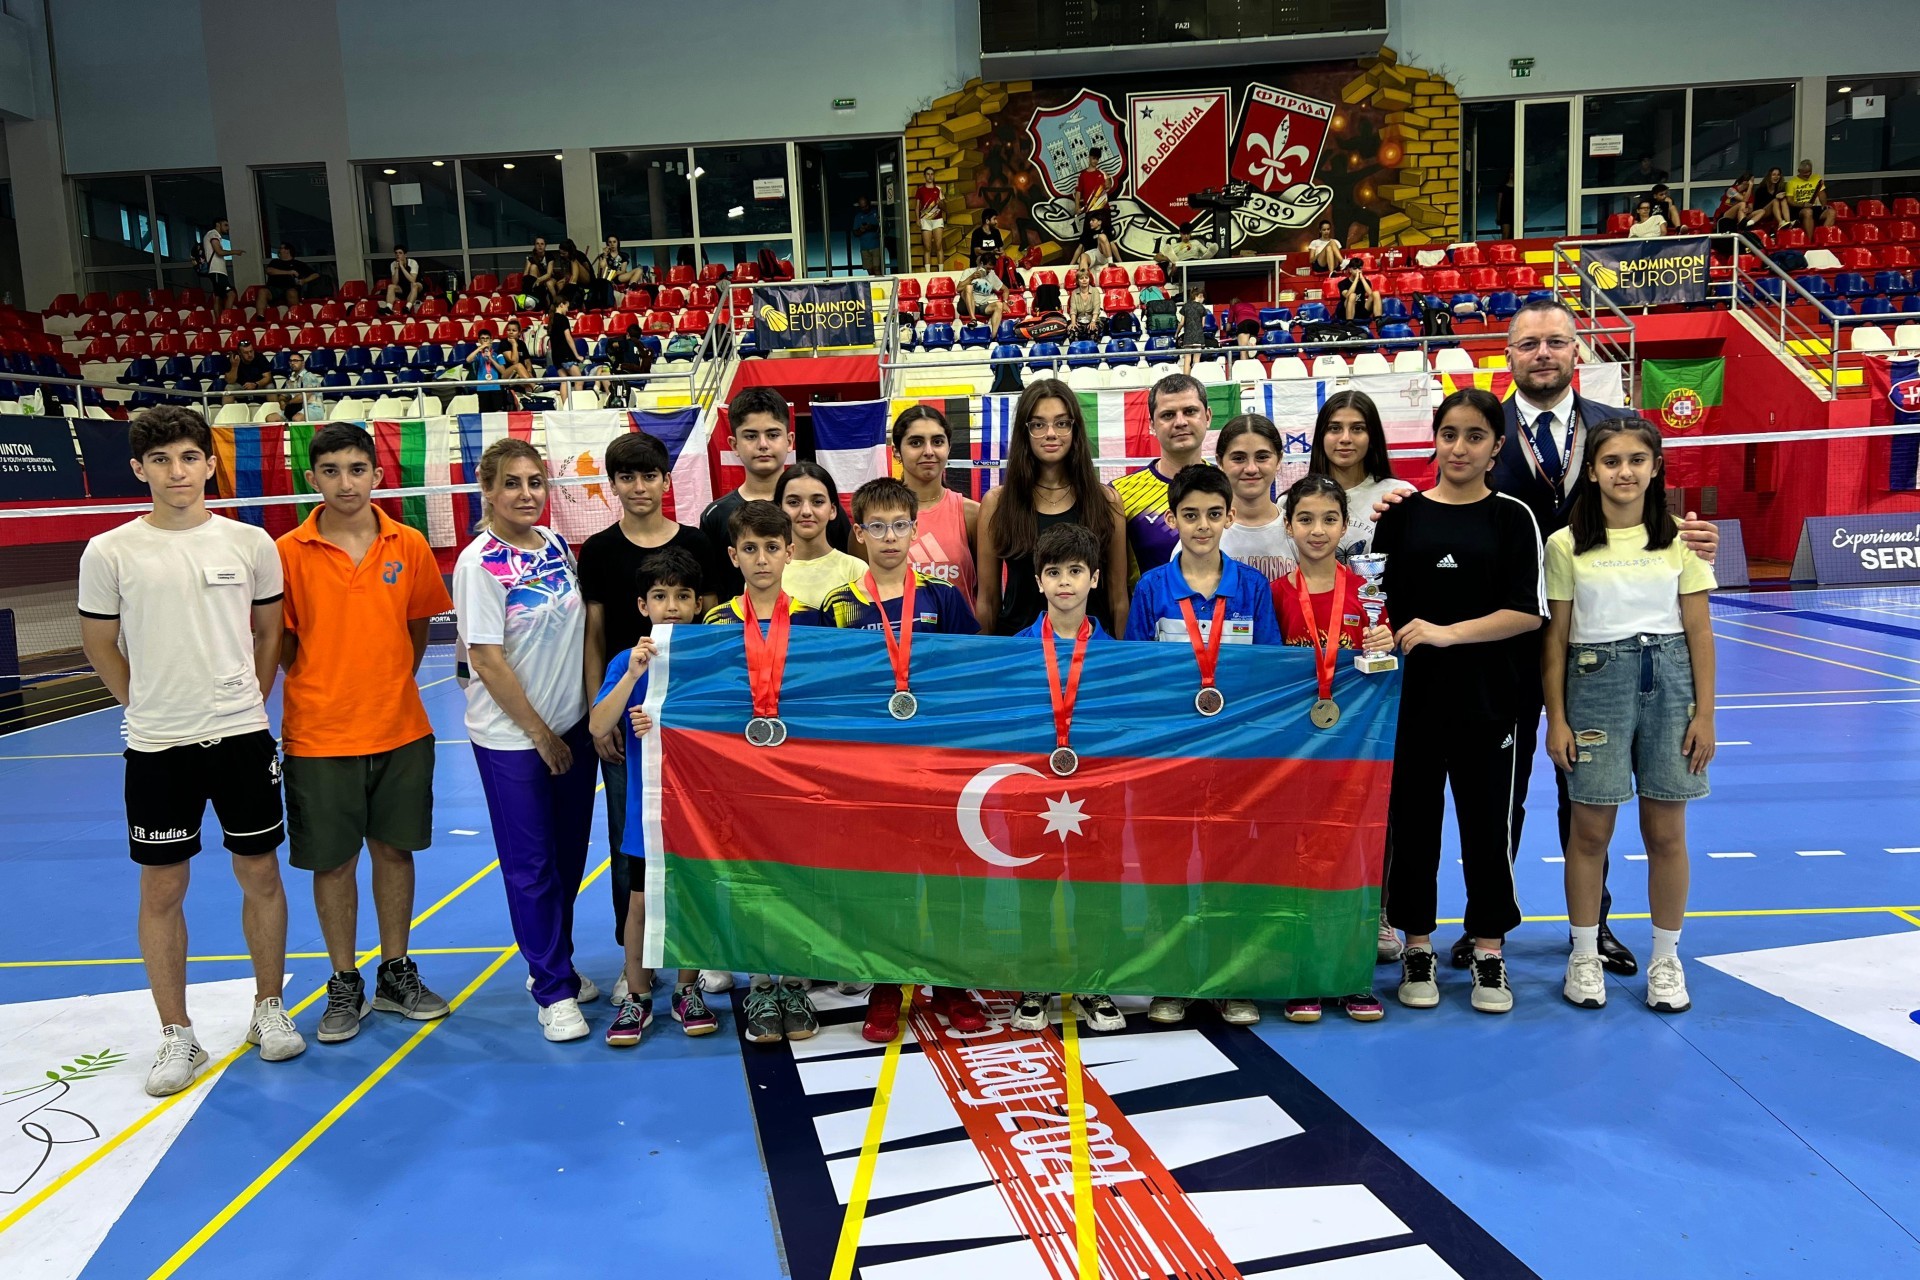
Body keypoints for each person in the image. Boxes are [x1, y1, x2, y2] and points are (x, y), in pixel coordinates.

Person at [1371, 298, 1719, 975]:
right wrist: (1394, 501)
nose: (1543, 353)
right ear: (1509, 354)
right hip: (1496, 653)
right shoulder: (1482, 425)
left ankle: (1594, 927)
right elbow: (1444, 509)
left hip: (1595, 646)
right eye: (1529, 343)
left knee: (1588, 794)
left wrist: (1687, 535)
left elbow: (1647, 508)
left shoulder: (1616, 428)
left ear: (1576, 351)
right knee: (1498, 795)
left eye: (1556, 341)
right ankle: (1484, 923)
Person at [76, 406, 303, 1096]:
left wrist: (250, 704)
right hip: (156, 746)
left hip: (240, 738)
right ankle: (177, 1033)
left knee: (260, 873)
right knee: (162, 885)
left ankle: (268, 1008)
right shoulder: (109, 551)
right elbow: (98, 642)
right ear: (139, 469)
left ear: (209, 464)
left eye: (189, 457)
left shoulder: (249, 543)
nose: (177, 471)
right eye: (162, 460)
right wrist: (140, 705)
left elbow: (269, 635)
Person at [278, 424, 455, 1045]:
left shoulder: (407, 543)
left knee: (394, 851)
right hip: (319, 734)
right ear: (313, 480)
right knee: (332, 863)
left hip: (400, 727)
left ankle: (395, 971)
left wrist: (383, 686)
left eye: (358, 469)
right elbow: (285, 643)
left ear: (378, 476)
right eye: (331, 470)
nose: (345, 482)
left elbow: (415, 630)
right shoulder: (287, 552)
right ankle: (343, 978)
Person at [1373, 388, 1546, 1016]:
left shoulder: (1512, 517)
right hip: (1411, 704)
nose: (1460, 447)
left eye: (1475, 436)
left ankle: (1489, 949)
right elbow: (1376, 603)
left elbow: (1527, 612)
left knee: (1485, 830)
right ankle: (1417, 944)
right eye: (1450, 434)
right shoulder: (1402, 515)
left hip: (1490, 701)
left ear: (1496, 446)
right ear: (1435, 440)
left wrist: (1447, 633)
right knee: (1414, 827)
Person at [1544, 419, 1715, 1015]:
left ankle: (1667, 960)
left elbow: (1698, 631)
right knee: (1590, 832)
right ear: (1591, 471)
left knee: (1666, 833)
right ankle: (1584, 954)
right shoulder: (1566, 544)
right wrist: (1556, 718)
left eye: (1637, 459)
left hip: (1670, 687)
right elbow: (1557, 639)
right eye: (1611, 460)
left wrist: (1706, 716)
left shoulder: (1679, 541)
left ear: (1656, 466)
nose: (1625, 471)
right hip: (1596, 687)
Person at [818, 478, 986, 1038]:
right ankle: (887, 985)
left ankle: (952, 983)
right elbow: (830, 693)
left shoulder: (942, 598)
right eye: (876, 527)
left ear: (916, 530)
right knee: (885, 880)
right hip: (874, 771)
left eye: (899, 525)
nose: (889, 537)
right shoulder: (841, 607)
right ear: (859, 533)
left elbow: (971, 678)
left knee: (947, 877)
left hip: (939, 766)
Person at [1123, 465, 1280, 1029]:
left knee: (1228, 862)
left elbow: (1268, 672)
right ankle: (1175, 976)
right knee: (1169, 864)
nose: (1203, 525)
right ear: (1172, 520)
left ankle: (1230, 975)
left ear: (1230, 516)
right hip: (1173, 753)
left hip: (1234, 752)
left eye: (1215, 514)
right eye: (1190, 515)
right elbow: (1139, 676)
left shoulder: (1252, 588)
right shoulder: (1151, 589)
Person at [453, 438, 599, 1043]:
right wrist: (540, 734)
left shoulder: (557, 546)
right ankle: (551, 989)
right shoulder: (477, 563)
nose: (525, 494)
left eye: (534, 482)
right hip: (514, 739)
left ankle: (557, 960)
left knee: (567, 859)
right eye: (511, 483)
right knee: (531, 865)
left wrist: (580, 720)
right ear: (487, 491)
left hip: (569, 729)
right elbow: (486, 659)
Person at [576, 431, 721, 990]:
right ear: (612, 485)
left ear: (666, 480)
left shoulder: (698, 544)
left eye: (649, 476)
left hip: (688, 729)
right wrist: (601, 716)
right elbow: (594, 637)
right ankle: (632, 963)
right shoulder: (599, 550)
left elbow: (710, 634)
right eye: (627, 477)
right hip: (626, 716)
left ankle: (692, 950)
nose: (639, 487)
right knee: (629, 839)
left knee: (693, 846)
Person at [698, 500, 829, 1045]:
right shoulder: (715, 622)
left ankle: (794, 981)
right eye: (749, 549)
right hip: (738, 775)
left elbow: (828, 700)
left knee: (795, 875)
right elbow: (700, 699)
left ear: (789, 551)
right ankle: (758, 985)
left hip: (795, 774)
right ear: (733, 555)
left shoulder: (816, 620)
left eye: (772, 548)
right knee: (748, 877)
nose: (761, 559)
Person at [1270, 474, 1394, 1023]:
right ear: (1288, 526)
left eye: (1328, 519)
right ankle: (1302, 972)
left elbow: (1386, 667)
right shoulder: (1275, 595)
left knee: (1352, 860)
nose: (1317, 530)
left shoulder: (1369, 593)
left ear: (1346, 525)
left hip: (1355, 753)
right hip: (1295, 755)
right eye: (1305, 519)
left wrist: (1384, 642)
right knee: (1296, 861)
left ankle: (1349, 974)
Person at [588, 547, 721, 1046]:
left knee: (689, 898)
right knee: (641, 901)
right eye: (660, 597)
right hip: (649, 809)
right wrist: (630, 681)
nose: (671, 606)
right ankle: (639, 996)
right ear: (642, 605)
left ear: (698, 603)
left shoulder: (711, 659)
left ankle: (687, 991)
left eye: (682, 596)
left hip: (699, 809)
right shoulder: (629, 660)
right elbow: (598, 724)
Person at [1010, 521, 1126, 1036]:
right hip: (1031, 790)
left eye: (1075, 571)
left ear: (1095, 579)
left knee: (1095, 889)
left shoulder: (1118, 654)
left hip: (1095, 792)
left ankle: (1092, 979)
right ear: (1038, 581)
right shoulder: (1012, 650)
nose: (1064, 583)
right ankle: (1034, 980)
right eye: (1053, 572)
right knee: (1034, 889)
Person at [976, 378, 1128, 635]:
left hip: (1090, 653)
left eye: (1061, 423)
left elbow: (1118, 598)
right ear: (1024, 432)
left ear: (1075, 428)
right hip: (1019, 653)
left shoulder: (1106, 502)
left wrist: (1120, 661)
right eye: (1038, 424)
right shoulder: (997, 503)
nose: (1050, 433)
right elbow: (988, 600)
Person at [1114, 372, 1213, 588]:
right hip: (1149, 620)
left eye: (1190, 411)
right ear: (1151, 424)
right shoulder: (1120, 493)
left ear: (1207, 417)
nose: (1180, 422)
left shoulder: (1228, 486)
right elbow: (1115, 585)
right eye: (1168, 415)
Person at [700, 386, 793, 601]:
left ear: (789, 441)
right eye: (751, 436)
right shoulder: (716, 515)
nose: (762, 444)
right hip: (737, 630)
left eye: (772, 434)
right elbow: (710, 591)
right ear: (734, 444)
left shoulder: (812, 509)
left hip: (806, 629)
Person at [1306, 390, 1414, 560]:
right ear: (1321, 436)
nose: (1345, 438)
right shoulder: (1293, 499)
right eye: (1335, 428)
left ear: (1372, 437)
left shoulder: (1398, 495)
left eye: (1357, 428)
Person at [891, 404, 979, 603]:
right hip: (896, 634)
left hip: (958, 634)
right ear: (897, 452)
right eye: (916, 443)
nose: (928, 451)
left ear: (949, 448)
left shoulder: (971, 514)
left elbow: (988, 598)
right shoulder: (875, 518)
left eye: (937, 441)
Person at [775, 461, 865, 608]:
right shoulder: (765, 570)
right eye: (793, 502)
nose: (806, 511)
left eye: (817, 502)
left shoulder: (856, 570)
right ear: (779, 509)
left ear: (832, 510)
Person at [1216, 414, 1293, 581]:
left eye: (1262, 457)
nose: (1251, 468)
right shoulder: (1204, 533)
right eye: (1238, 458)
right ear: (1220, 462)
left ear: (1279, 459)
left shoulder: (1299, 531)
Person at [201, 218, 241, 311]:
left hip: (217, 271)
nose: (228, 228)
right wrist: (235, 252)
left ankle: (220, 321)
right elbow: (219, 251)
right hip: (216, 270)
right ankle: (225, 318)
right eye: (225, 225)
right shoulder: (213, 234)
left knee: (218, 297)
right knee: (231, 294)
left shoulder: (211, 235)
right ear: (218, 224)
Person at [264, 243, 320, 308]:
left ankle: (295, 315)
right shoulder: (275, 262)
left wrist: (304, 281)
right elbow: (269, 271)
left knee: (292, 292)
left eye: (281, 248)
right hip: (274, 290)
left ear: (287, 250)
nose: (279, 250)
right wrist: (289, 272)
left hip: (291, 289)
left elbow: (315, 274)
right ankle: (261, 316)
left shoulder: (298, 264)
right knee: (262, 292)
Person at [957, 259, 1006, 330]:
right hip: (967, 305)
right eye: (988, 268)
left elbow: (1006, 289)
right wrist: (971, 277)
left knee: (999, 305)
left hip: (981, 306)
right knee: (968, 287)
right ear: (981, 264)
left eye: (991, 269)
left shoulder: (992, 274)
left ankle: (993, 336)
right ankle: (973, 319)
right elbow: (958, 289)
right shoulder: (968, 271)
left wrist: (1005, 301)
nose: (989, 271)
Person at [1786, 159, 1833, 233]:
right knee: (1808, 212)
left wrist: (1824, 205)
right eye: (1805, 173)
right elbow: (1790, 201)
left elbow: (1821, 194)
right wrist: (1803, 205)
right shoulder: (1791, 182)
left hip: (1813, 207)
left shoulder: (1817, 178)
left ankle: (1822, 236)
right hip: (1798, 208)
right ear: (1799, 171)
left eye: (1809, 172)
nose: (1808, 174)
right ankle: (1809, 241)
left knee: (1831, 212)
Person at [467, 333, 509, 413]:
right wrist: (480, 348)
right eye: (482, 338)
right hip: (482, 388)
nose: (485, 340)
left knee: (498, 413)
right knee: (484, 414)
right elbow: (468, 359)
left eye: (487, 338)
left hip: (495, 387)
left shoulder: (497, 355)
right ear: (479, 341)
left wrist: (491, 358)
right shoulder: (478, 355)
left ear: (491, 340)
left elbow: (503, 371)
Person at [224, 338, 274, 406]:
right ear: (239, 353)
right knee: (229, 388)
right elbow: (230, 381)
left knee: (270, 387)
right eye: (246, 353)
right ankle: (227, 414)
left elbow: (268, 377)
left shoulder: (260, 357)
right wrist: (235, 366)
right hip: (242, 388)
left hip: (258, 387)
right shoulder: (233, 359)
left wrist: (255, 384)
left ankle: (273, 412)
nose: (250, 354)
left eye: (251, 351)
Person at [281, 350, 325, 421]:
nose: (292, 363)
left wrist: (288, 403)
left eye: (295, 361)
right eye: (290, 361)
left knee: (297, 418)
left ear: (303, 363)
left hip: (313, 408)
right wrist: (282, 402)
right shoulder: (290, 379)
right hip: (295, 409)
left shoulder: (309, 376)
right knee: (271, 418)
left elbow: (304, 396)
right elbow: (283, 396)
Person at [916, 167, 944, 270]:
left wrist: (940, 203)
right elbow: (917, 206)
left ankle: (941, 271)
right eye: (928, 174)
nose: (930, 176)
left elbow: (944, 207)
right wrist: (917, 218)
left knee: (938, 245)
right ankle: (927, 273)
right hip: (925, 220)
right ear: (925, 176)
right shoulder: (920, 190)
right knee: (927, 247)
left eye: (932, 174)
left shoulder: (938, 189)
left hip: (937, 219)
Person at [1336, 258, 1382, 323]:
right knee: (1352, 295)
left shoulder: (1366, 282)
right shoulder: (1342, 283)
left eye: (1360, 269)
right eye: (1355, 269)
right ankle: (1349, 322)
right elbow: (1347, 295)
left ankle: (1378, 320)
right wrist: (1356, 280)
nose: (1358, 271)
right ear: (1350, 270)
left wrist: (1362, 279)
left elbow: (1370, 294)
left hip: (1362, 309)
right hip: (1348, 310)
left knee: (1376, 293)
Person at [1748, 166, 1791, 231]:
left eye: (1778, 175)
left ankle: (1788, 222)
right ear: (1769, 176)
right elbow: (1758, 206)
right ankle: (1780, 222)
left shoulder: (1780, 188)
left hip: (1775, 213)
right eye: (1774, 175)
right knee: (1775, 200)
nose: (1776, 177)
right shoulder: (1761, 189)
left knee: (1783, 200)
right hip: (1761, 212)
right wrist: (1775, 197)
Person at [1076, 205, 1117, 272]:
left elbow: (1112, 245)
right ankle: (1084, 278)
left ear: (1099, 222)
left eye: (1093, 220)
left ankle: (1110, 262)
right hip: (1091, 255)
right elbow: (1080, 248)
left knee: (1102, 236)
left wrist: (1120, 262)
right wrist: (1070, 264)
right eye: (1090, 221)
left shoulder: (1106, 231)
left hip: (1102, 255)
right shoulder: (1087, 232)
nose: (1090, 222)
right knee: (1083, 255)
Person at [384, 245, 423, 313]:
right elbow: (395, 282)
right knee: (391, 286)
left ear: (405, 254)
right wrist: (397, 268)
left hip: (415, 286)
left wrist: (402, 266)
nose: (397, 255)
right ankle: (388, 308)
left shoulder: (413, 262)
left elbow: (412, 280)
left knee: (414, 284)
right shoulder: (393, 264)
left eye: (400, 253)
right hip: (402, 287)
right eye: (396, 253)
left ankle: (407, 307)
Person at [1067, 276, 1105, 342]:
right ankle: (1075, 350)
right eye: (1081, 278)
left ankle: (1093, 350)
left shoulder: (1095, 291)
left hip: (1093, 319)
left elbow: (1096, 309)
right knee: (1072, 330)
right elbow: (1073, 310)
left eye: (1086, 278)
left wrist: (1093, 321)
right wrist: (1073, 322)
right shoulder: (1074, 293)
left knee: (1093, 329)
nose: (1084, 280)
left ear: (1089, 279)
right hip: (1079, 321)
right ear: (1077, 281)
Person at [1076, 147, 1111, 217]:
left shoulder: (1102, 173)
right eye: (1094, 158)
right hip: (1090, 211)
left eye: (1097, 159)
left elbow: (1108, 186)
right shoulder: (1082, 175)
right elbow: (1078, 193)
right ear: (1089, 157)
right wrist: (1077, 208)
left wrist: (1108, 181)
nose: (1095, 161)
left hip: (1104, 209)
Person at [853, 196, 883, 275]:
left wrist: (871, 227)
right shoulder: (858, 216)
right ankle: (873, 286)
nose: (864, 209)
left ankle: (880, 284)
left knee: (877, 268)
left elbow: (882, 227)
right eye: (862, 207)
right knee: (869, 270)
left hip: (876, 245)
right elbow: (855, 233)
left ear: (869, 204)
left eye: (866, 206)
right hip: (864, 247)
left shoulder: (876, 213)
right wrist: (861, 230)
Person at [523, 236, 554, 301]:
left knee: (549, 283)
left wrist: (539, 280)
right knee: (533, 267)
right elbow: (525, 274)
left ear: (545, 246)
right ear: (534, 245)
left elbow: (549, 274)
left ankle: (555, 302)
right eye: (537, 244)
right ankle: (533, 298)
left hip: (547, 278)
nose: (540, 246)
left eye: (542, 244)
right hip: (536, 277)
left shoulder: (549, 256)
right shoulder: (530, 257)